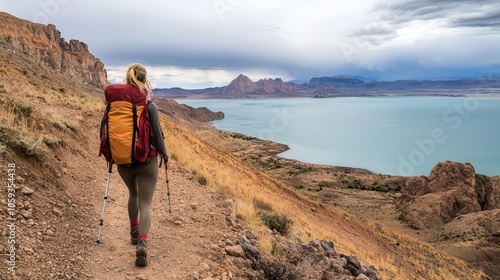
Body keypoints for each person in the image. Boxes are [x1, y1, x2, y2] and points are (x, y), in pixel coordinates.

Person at [107, 63, 168, 266]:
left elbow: (106, 131)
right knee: (146, 203)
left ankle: (133, 231)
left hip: (123, 161)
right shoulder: (149, 105)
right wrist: (165, 155)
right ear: (144, 80)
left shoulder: (115, 105)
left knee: (132, 194)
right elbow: (158, 135)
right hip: (146, 160)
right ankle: (142, 243)